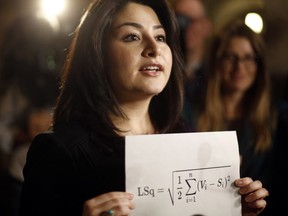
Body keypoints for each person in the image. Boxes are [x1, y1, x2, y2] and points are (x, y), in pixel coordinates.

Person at [19, 1, 269, 216]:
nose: (154, 48)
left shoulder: (183, 136)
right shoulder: (58, 151)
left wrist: (230, 210)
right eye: (132, 37)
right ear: (97, 53)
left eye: (160, 37)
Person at [184, 20, 274, 214]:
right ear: (217, 62)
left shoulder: (276, 118)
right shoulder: (189, 109)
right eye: (230, 57)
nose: (239, 67)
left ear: (259, 65)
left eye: (248, 58)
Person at [172, 0, 212, 123]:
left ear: (206, 27)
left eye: (192, 21)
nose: (185, 28)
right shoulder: (160, 74)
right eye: (179, 20)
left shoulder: (215, 76)